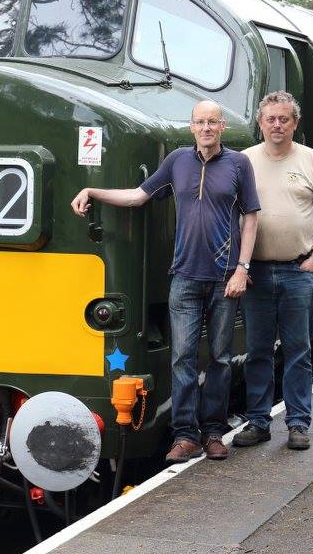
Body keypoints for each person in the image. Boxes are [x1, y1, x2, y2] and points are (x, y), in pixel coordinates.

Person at [71, 100, 260, 463]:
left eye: (212, 122)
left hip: (224, 278)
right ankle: (186, 436)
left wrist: (242, 268)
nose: (206, 128)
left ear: (222, 127)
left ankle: (215, 432)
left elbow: (251, 217)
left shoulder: (239, 163)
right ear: (192, 127)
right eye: (200, 122)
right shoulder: (178, 161)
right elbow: (138, 196)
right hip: (185, 277)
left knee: (220, 358)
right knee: (183, 358)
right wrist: (92, 192)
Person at [231, 91, 313, 451]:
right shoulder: (243, 161)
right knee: (258, 351)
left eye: (284, 119)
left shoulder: (312, 160)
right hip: (256, 273)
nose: (277, 125)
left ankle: (297, 424)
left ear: (295, 123)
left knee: (299, 350)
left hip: (298, 271)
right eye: (270, 119)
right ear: (260, 123)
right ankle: (258, 422)